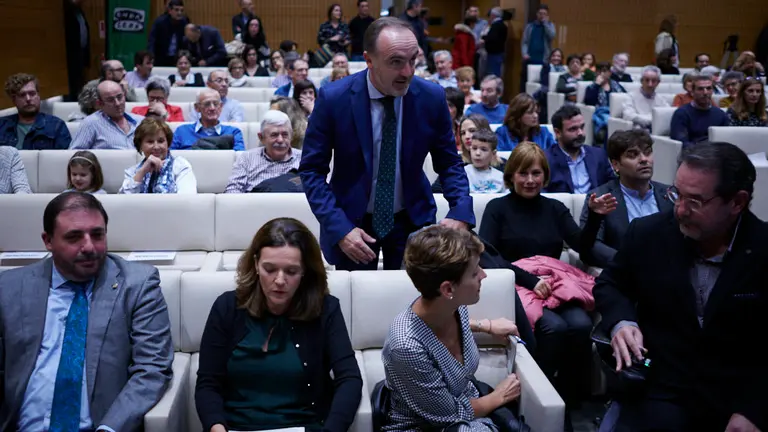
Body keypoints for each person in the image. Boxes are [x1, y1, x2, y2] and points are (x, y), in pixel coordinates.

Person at [593, 142, 767, 432]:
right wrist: (621, 322)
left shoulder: (762, 249)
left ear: (737, 202)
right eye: (676, 194)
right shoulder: (649, 234)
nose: (680, 210)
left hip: (737, 399)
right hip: (659, 388)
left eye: (695, 201)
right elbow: (610, 284)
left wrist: (754, 410)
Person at [299, 17, 475, 271]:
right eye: (396, 62)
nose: (408, 72)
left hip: (412, 221)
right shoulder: (334, 99)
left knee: (413, 303)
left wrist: (461, 209)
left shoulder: (431, 97)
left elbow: (449, 163)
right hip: (353, 225)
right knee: (357, 305)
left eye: (413, 59)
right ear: (369, 60)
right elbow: (312, 170)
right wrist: (339, 228)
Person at [0, 191, 173, 431]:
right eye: (74, 237)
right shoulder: (8, 288)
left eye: (97, 234)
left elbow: (152, 369)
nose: (89, 247)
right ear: (48, 240)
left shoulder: (137, 285)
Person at [479, 142, 617, 427]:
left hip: (553, 286)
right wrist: (529, 280)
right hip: (515, 284)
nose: (530, 180)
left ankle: (567, 398)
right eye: (523, 173)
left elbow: (583, 247)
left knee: (580, 324)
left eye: (536, 173)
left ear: (545, 175)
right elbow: (488, 255)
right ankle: (534, 394)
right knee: (555, 327)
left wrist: (594, 217)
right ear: (511, 176)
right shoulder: (497, 208)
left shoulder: (555, 208)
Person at [195, 217, 362, 432]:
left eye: (291, 271)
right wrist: (216, 426)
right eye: (270, 269)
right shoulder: (227, 307)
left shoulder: (325, 309)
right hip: (236, 427)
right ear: (255, 264)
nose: (280, 280)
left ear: (305, 271)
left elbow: (349, 378)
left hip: (305, 426)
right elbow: (208, 383)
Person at [382, 225, 527, 431]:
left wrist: (486, 326)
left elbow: (436, 336)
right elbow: (448, 414)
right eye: (475, 272)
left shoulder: (453, 307)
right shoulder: (405, 347)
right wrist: (499, 396)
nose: (483, 275)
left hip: (466, 407)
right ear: (448, 288)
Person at [579, 130, 672, 268]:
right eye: (633, 155)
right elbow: (591, 247)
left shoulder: (670, 194)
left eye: (647, 152)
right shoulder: (601, 198)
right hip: (628, 278)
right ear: (616, 165)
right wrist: (627, 262)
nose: (643, 159)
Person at [225, 111, 303, 193]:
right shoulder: (247, 158)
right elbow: (232, 191)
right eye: (274, 135)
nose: (280, 140)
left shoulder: (304, 158)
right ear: (261, 137)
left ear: (291, 135)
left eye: (285, 134)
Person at [545, 105, 615, 193]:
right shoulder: (546, 160)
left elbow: (613, 186)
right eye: (573, 129)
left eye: (582, 127)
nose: (580, 133)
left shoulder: (598, 155)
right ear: (558, 132)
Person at [120, 118, 197, 194]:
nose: (156, 147)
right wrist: (142, 172)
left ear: (168, 143)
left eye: (161, 141)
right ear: (140, 146)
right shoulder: (133, 172)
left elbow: (187, 200)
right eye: (150, 142)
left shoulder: (180, 166)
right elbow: (122, 202)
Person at [0, 73, 71, 149]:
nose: (28, 99)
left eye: (32, 94)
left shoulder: (57, 126)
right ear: (14, 100)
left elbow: (64, 159)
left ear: (38, 96)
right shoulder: (2, 125)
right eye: (22, 95)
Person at [69, 81, 143, 150]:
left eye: (120, 97)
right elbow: (74, 155)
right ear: (99, 104)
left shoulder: (141, 121)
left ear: (124, 95)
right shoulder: (90, 124)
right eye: (110, 100)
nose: (117, 103)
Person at [174, 89, 245, 151]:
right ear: (197, 108)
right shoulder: (182, 131)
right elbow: (170, 158)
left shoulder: (233, 132)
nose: (212, 108)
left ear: (221, 107)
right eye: (207, 104)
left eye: (216, 104)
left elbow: (239, 160)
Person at [670, 75, 730, 148]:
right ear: (692, 92)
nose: (705, 92)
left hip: (716, 152)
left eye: (708, 88)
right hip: (692, 154)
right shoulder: (681, 113)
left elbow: (726, 140)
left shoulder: (721, 114)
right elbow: (681, 142)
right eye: (700, 89)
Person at [147, 0, 189, 66]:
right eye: (176, 10)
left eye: (181, 10)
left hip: (177, 58)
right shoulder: (160, 22)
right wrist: (151, 57)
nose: (179, 13)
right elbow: (152, 41)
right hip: (160, 56)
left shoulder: (184, 22)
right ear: (170, 11)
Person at [465, 129, 505, 193]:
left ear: (493, 153)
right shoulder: (463, 172)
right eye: (474, 148)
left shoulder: (500, 177)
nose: (477, 153)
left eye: (484, 149)